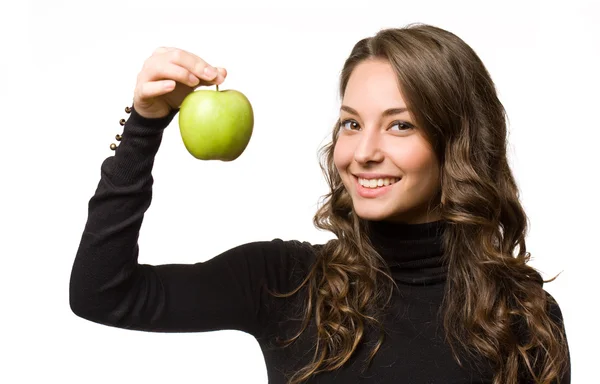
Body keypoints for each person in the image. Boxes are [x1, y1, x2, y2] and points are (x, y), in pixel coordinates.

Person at [69, 23, 571, 383]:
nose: (364, 152)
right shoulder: (286, 282)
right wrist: (144, 124)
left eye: (400, 125)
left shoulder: (521, 316)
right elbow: (102, 292)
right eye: (352, 123)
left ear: (454, 145)